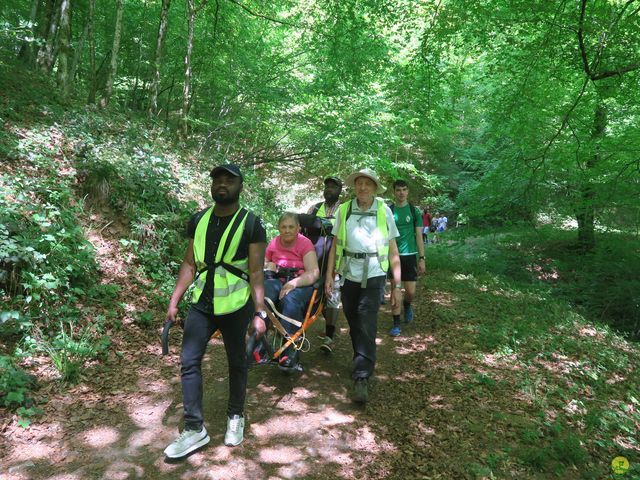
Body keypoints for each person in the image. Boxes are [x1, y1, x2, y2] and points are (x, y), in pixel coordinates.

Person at [163, 164, 268, 458]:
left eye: (229, 180)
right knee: (189, 360)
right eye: (217, 180)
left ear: (240, 187)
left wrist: (259, 313)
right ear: (211, 186)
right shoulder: (198, 220)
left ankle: (236, 414)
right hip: (203, 302)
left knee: (237, 360)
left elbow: (257, 272)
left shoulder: (252, 224)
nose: (222, 184)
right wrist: (174, 300)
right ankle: (195, 428)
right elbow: (190, 263)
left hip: (236, 304)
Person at [324, 168, 401, 404]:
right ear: (354, 187)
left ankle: (362, 375)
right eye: (359, 183)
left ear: (375, 188)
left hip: (375, 273)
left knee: (366, 320)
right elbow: (335, 245)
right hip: (348, 274)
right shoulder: (345, 210)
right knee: (353, 319)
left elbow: (393, 249)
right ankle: (361, 357)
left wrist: (396, 285)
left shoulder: (383, 211)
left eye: (368, 184)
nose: (363, 188)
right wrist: (329, 276)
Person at [264, 212, 320, 372]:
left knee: (289, 300)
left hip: (301, 283)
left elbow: (313, 272)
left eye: (291, 227)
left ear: (298, 228)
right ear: (278, 228)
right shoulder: (273, 243)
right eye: (283, 227)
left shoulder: (305, 243)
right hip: (277, 280)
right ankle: (259, 340)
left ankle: (290, 350)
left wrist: (294, 283)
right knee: (264, 297)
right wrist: (268, 266)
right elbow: (265, 263)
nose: (287, 230)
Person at [308, 176, 342, 353]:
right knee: (316, 292)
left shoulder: (345, 210)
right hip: (316, 259)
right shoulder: (314, 208)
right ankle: (325, 323)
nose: (329, 189)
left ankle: (330, 334)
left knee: (333, 294)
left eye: (333, 187)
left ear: (340, 190)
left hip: (336, 259)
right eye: (327, 186)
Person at [388, 180, 425, 336]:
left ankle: (407, 305)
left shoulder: (414, 211)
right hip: (393, 255)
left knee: (410, 292)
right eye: (398, 190)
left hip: (410, 255)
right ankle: (396, 323)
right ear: (394, 192)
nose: (401, 193)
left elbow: (418, 235)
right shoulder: (388, 211)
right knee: (395, 289)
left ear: (408, 191)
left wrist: (422, 258)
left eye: (404, 189)